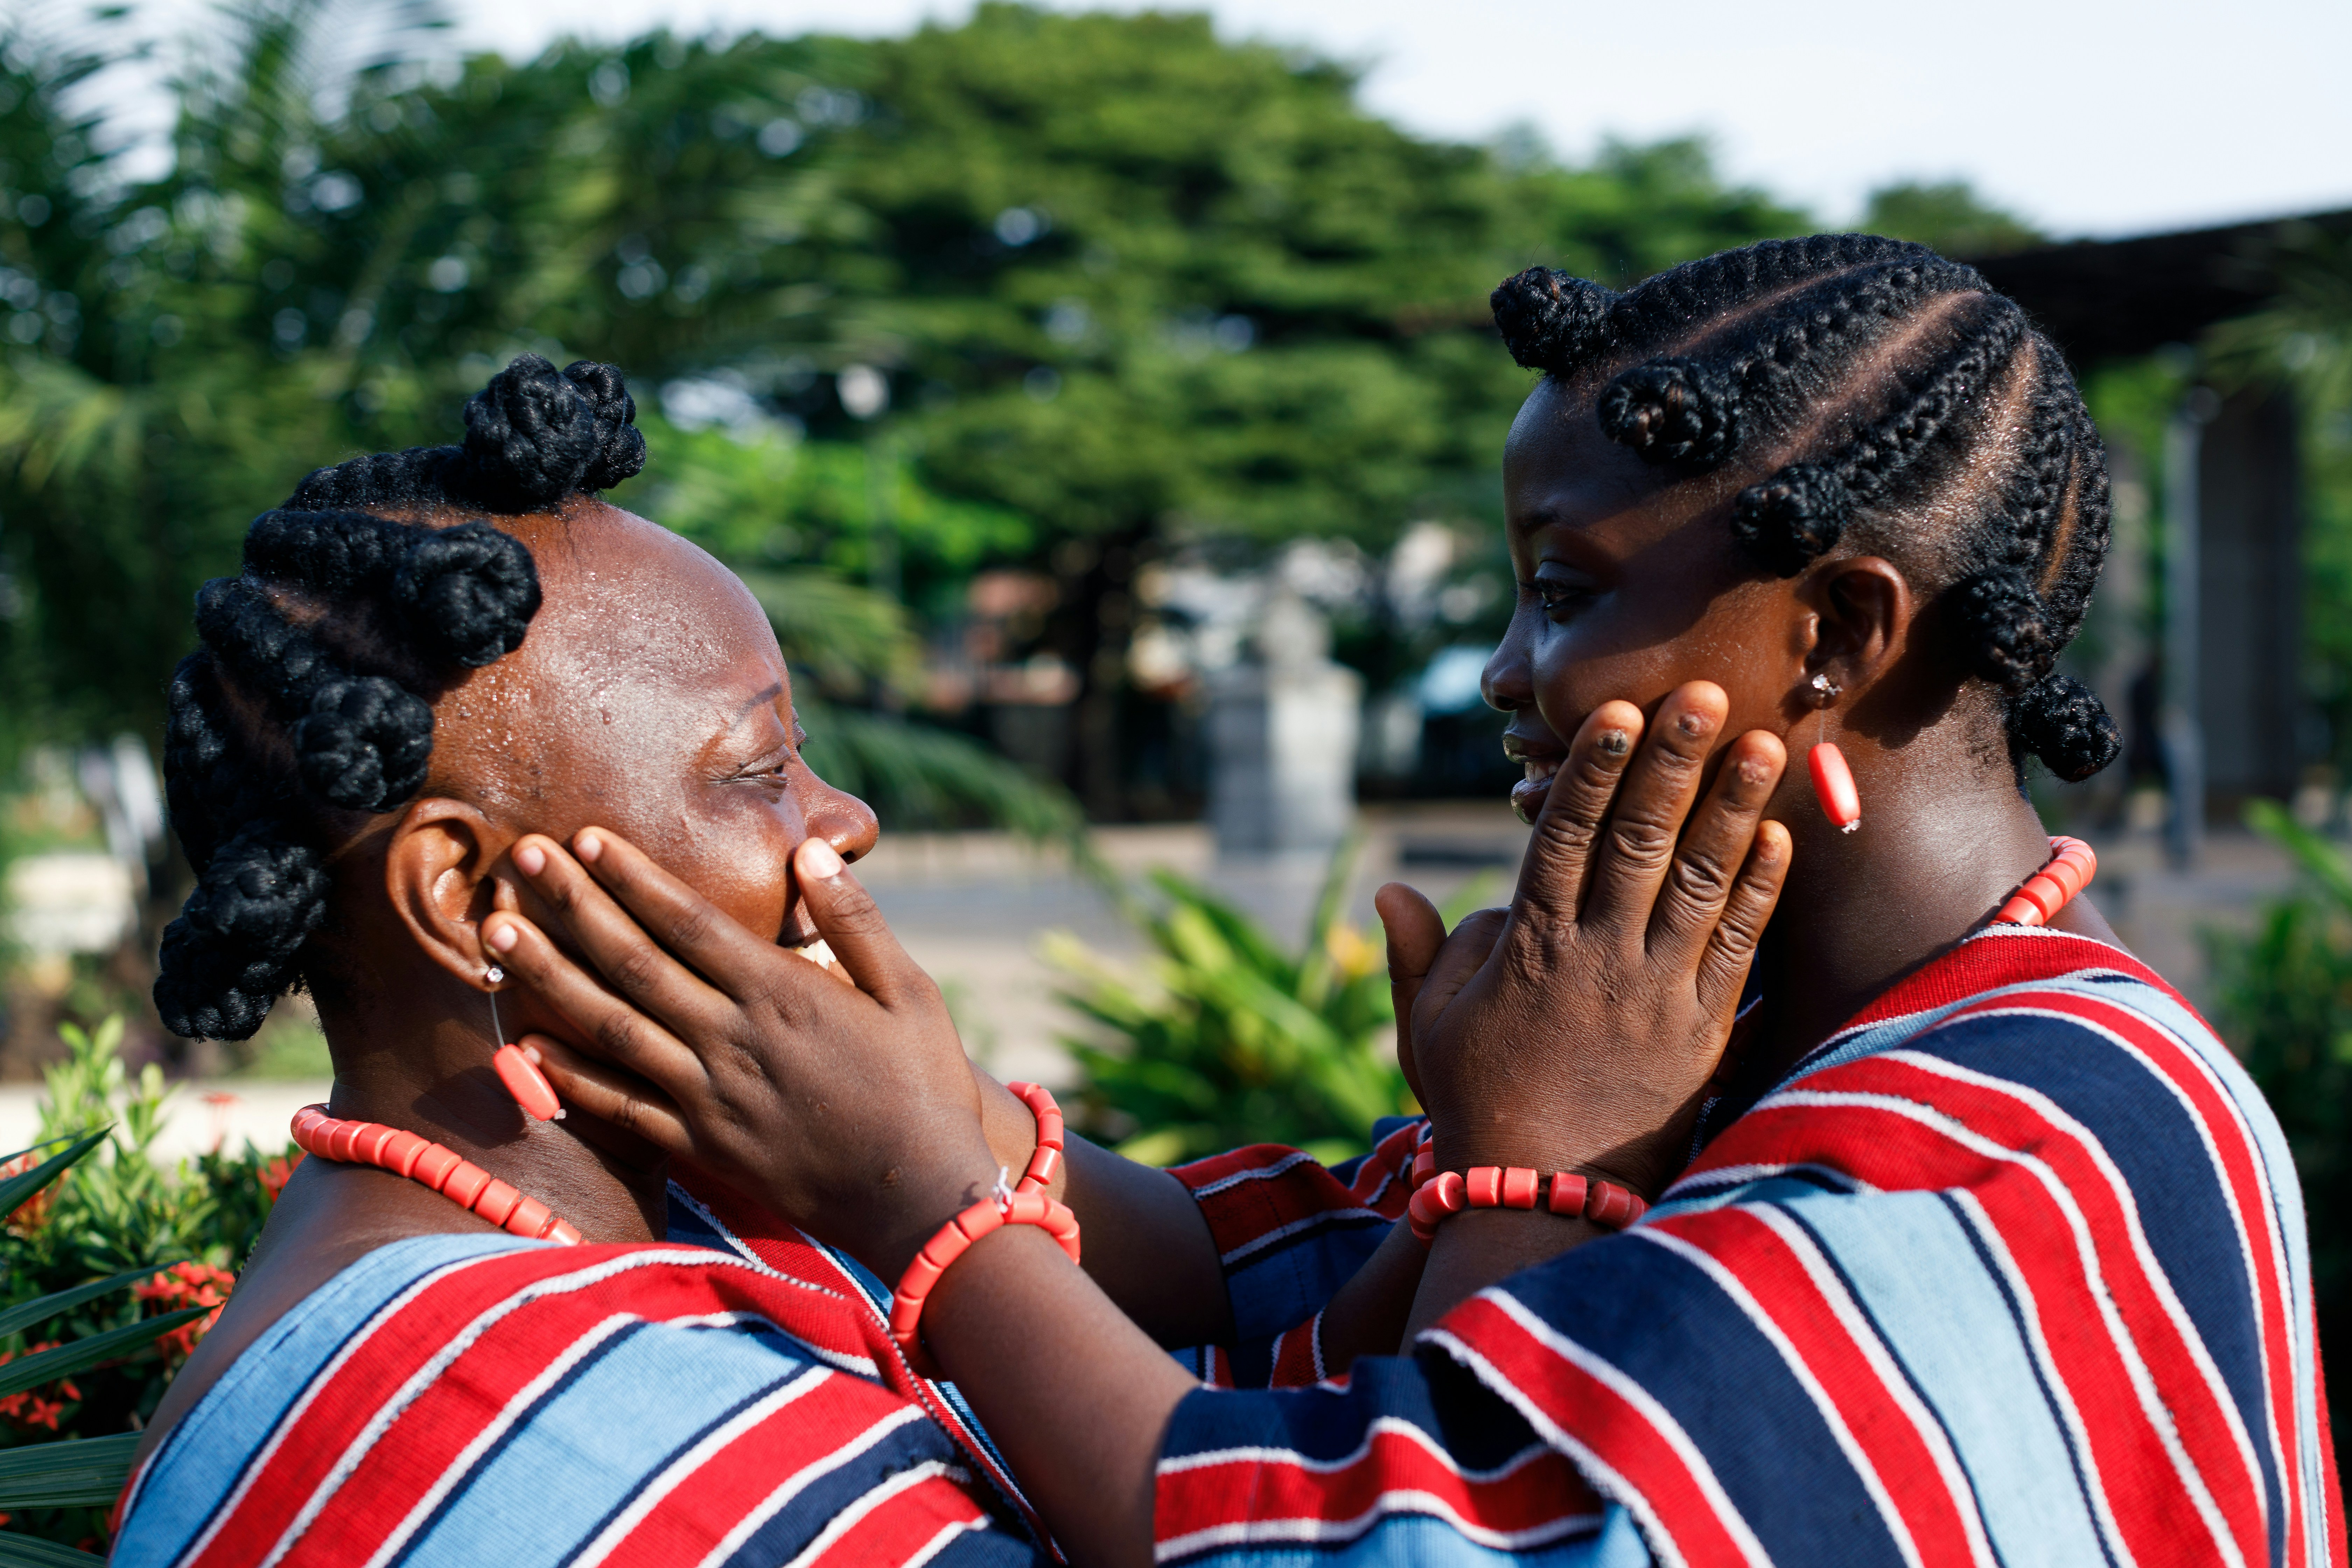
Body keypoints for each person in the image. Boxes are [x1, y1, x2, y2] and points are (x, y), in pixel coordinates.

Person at [469, 236, 2345, 1567]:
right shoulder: (1754, 1041)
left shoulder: (2014, 1142)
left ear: (1840, 635)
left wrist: (922, 1205)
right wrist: (915, 1098)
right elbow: (1250, 1282)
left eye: (1570, 587)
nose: (1504, 677)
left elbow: (1372, 1539)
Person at [112, 354, 1259, 1565]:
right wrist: (939, 1205)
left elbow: (1248, 1301)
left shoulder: (691, 1212)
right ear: (466, 898)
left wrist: (944, 1141)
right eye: (761, 772)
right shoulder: (541, 1412)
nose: (847, 818)